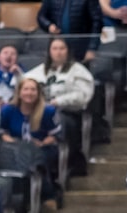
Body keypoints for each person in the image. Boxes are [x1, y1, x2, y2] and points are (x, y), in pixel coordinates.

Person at [24, 38, 94, 179]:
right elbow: (23, 83)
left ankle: (60, 164)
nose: (58, 52)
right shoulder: (40, 70)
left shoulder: (78, 71)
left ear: (68, 51)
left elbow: (83, 96)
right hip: (41, 112)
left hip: (68, 113)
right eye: (55, 49)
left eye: (62, 48)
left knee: (59, 121)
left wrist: (58, 102)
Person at [37, 0, 104, 63]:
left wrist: (92, 48)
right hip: (57, 42)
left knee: (79, 69)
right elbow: (41, 16)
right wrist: (49, 25)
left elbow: (97, 23)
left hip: (80, 45)